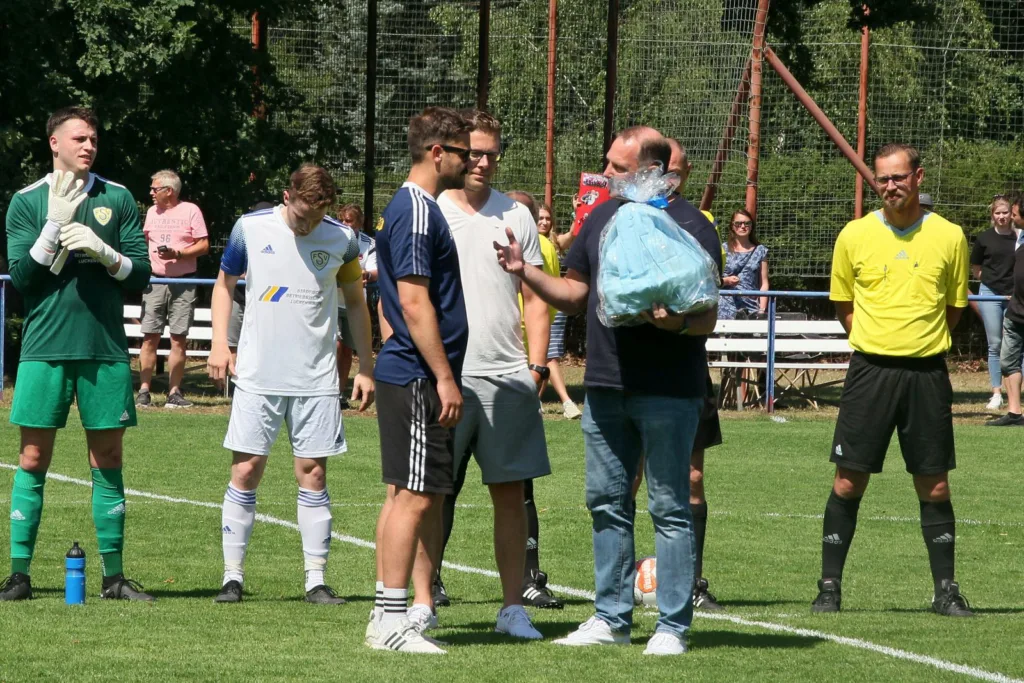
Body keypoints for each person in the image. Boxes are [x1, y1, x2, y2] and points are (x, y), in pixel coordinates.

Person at [495, 126, 720, 655]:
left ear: (650, 171)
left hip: (668, 389)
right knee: (607, 503)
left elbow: (705, 317)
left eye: (618, 168)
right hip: (604, 385)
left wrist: (674, 325)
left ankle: (672, 627)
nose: (607, 174)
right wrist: (523, 269)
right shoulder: (600, 217)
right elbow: (575, 294)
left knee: (669, 506)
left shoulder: (692, 225)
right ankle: (611, 617)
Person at [813, 143, 972, 617]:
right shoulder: (854, 235)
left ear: (918, 177)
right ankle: (828, 588)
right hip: (870, 372)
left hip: (926, 374)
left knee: (935, 485)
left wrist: (916, 341)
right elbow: (844, 304)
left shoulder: (950, 236)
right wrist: (876, 339)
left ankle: (945, 591)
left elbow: (954, 308)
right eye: (881, 179)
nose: (890, 186)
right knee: (847, 481)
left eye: (899, 177)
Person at [2, 106, 154, 601]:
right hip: (44, 347)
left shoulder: (119, 197)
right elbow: (23, 280)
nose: (89, 146)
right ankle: (19, 575)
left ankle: (113, 578)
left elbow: (142, 276)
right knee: (32, 457)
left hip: (104, 347)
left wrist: (105, 253)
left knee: (108, 457)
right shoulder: (26, 202)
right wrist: (53, 228)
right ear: (54, 143)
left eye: (94, 139)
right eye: (80, 138)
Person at [206, 164, 375, 605]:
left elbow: (356, 304)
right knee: (245, 471)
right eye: (302, 215)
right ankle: (232, 577)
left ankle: (315, 580)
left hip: (316, 377)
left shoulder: (341, 238)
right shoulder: (249, 227)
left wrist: (366, 367)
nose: (308, 225)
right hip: (259, 374)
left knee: (313, 474)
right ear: (287, 196)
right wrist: (221, 345)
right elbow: (224, 287)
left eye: (317, 218)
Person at [417, 111, 552, 640]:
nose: (483, 161)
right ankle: (423, 603)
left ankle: (513, 607)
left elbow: (535, 295)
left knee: (511, 494)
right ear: (454, 151)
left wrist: (536, 366)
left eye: (492, 153)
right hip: (445, 375)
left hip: (506, 376)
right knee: (430, 494)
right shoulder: (430, 211)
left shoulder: (515, 214)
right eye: (474, 151)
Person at [366, 107, 471, 655]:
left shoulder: (411, 209)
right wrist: (445, 377)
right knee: (415, 498)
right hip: (415, 376)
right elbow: (412, 299)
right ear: (437, 153)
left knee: (405, 496)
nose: (470, 160)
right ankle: (389, 620)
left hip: (408, 373)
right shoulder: (417, 211)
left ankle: (384, 615)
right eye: (461, 151)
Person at [136, 169, 209, 408]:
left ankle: (174, 393)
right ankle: (144, 391)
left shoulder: (191, 210)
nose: (151, 193)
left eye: (155, 189)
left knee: (179, 338)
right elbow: (146, 243)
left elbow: (204, 245)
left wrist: (179, 253)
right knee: (149, 337)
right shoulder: (151, 213)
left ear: (169, 191)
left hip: (184, 282)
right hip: (154, 281)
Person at [533, 201, 583, 419]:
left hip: (554, 307)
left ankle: (565, 402)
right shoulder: (526, 240)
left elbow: (574, 233)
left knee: (548, 354)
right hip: (532, 306)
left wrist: (578, 210)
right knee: (542, 355)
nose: (544, 222)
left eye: (547, 218)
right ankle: (546, 401)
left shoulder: (554, 242)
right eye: (540, 218)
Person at [969, 196, 1016, 411]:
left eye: (1005, 212)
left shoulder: (1019, 237)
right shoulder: (984, 238)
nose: (1001, 216)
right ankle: (997, 393)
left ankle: (1016, 394)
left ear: (1011, 214)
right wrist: (989, 283)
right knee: (995, 343)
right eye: (998, 213)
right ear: (992, 215)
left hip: (1015, 296)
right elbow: (976, 267)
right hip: (990, 294)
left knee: (1016, 345)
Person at [987, 195, 1024, 427]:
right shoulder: (1019, 237)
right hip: (1015, 313)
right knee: (1008, 362)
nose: (1011, 216)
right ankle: (1014, 413)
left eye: (1015, 213)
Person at [335, 203, 377, 401]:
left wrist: (367, 274)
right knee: (333, 346)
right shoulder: (331, 238)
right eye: (342, 220)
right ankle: (328, 391)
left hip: (355, 303)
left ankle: (340, 394)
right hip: (332, 301)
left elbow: (376, 270)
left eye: (349, 221)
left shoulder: (369, 243)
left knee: (346, 350)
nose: (345, 224)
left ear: (359, 223)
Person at [226, 201, 274, 368]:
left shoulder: (280, 240)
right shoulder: (244, 234)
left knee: (264, 346)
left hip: (266, 302)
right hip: (238, 298)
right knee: (231, 344)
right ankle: (230, 384)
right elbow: (226, 274)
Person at [718, 209, 769, 319]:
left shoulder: (760, 251)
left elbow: (763, 283)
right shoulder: (722, 249)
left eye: (747, 223)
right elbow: (713, 279)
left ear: (752, 226)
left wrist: (762, 310)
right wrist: (726, 281)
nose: (743, 226)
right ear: (732, 226)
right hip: (724, 307)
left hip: (750, 307)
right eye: (738, 223)